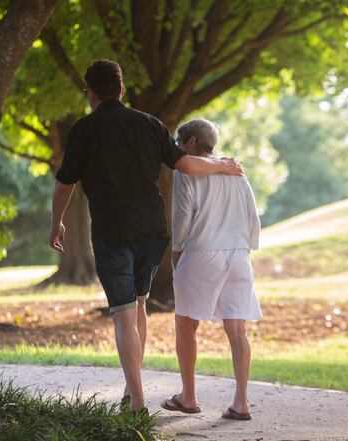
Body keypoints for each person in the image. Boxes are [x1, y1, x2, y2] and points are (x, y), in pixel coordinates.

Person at [49, 60, 244, 413]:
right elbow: (186, 163)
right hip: (152, 232)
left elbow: (65, 185)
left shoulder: (84, 129)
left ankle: (137, 403)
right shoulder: (149, 124)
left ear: (91, 94)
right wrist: (223, 165)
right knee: (138, 304)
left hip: (112, 231)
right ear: (121, 89)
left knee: (124, 313)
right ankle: (130, 387)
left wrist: (56, 224)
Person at [161, 119, 262, 420]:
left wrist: (176, 256)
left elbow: (182, 218)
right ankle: (241, 402)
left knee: (186, 325)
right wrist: (245, 246)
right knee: (237, 329)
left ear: (191, 142)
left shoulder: (186, 171)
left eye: (180, 142)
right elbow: (251, 215)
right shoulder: (236, 172)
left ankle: (188, 397)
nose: (178, 148)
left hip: (201, 251)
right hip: (238, 253)